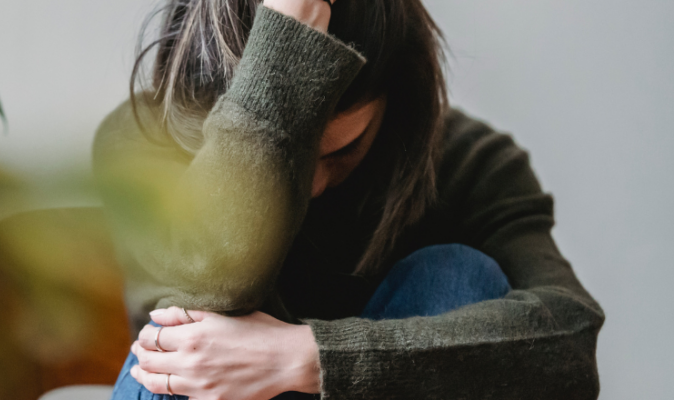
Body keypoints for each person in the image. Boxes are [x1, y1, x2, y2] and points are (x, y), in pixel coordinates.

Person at [91, 0, 604, 399]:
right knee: (186, 335)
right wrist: (284, 57)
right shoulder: (141, 140)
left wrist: (310, 359)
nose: (312, 185)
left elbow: (569, 340)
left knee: (457, 273)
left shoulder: (466, 160)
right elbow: (208, 295)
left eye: (342, 150)